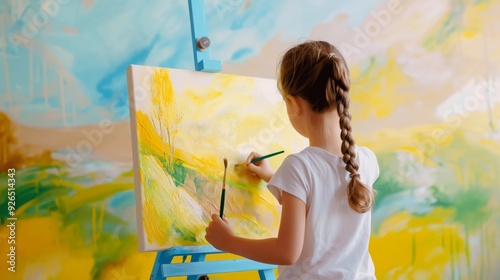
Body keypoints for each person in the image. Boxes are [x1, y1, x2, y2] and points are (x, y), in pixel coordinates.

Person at [205, 40, 379, 279]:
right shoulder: (367, 160)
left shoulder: (299, 167)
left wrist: (229, 241)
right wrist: (273, 177)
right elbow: (322, 199)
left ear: (292, 104)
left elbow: (287, 252)